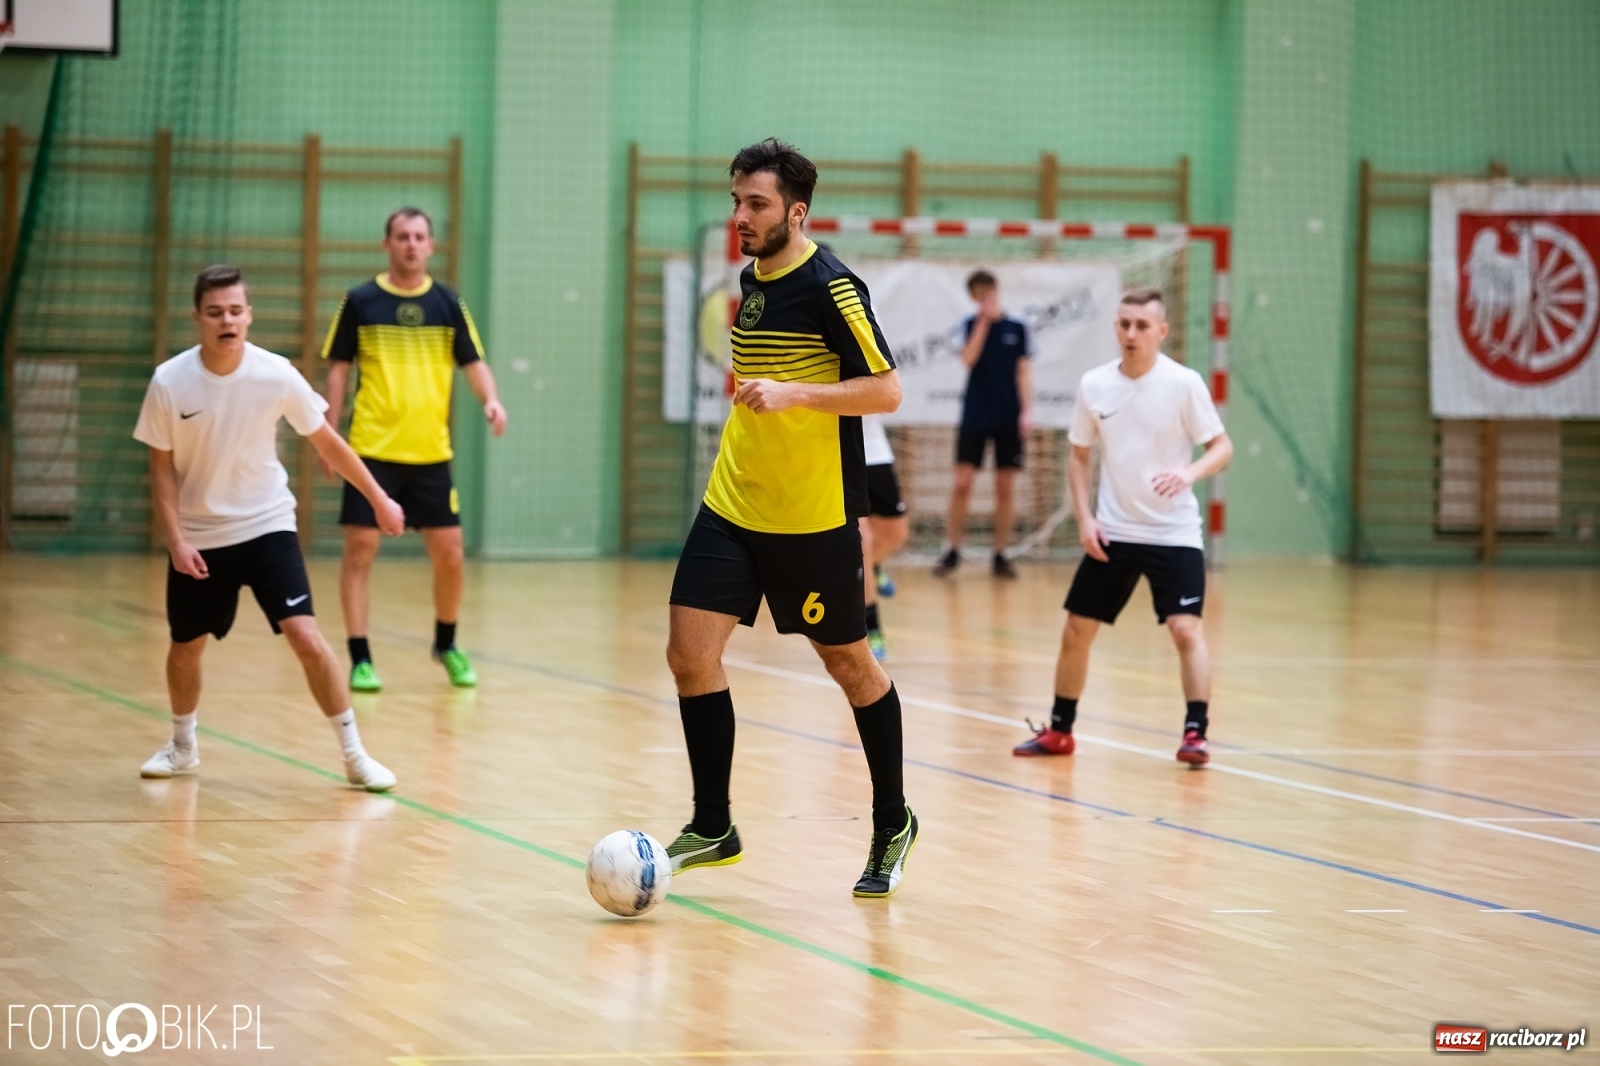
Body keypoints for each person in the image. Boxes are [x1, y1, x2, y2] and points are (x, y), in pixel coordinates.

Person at [665, 138, 916, 897]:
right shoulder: (753, 279)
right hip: (734, 503)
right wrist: (757, 388)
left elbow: (886, 392)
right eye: (736, 201)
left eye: (756, 204)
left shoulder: (835, 288)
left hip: (812, 518)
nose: (739, 215)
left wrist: (795, 393)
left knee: (849, 666)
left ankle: (891, 821)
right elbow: (763, 373)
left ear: (795, 212)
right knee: (688, 654)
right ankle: (715, 824)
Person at [134, 265, 407, 790]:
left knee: (306, 636)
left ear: (249, 315)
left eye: (236, 311)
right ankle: (183, 744)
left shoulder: (275, 373)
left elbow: (328, 441)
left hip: (267, 524)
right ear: (197, 319)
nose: (227, 321)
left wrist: (378, 497)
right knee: (186, 645)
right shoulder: (170, 382)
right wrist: (176, 539)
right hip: (201, 535)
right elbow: (161, 469)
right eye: (215, 312)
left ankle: (354, 755)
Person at [1013, 287, 1232, 765]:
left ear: (1161, 332)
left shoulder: (1184, 383)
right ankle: (1061, 730)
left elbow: (1221, 447)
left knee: (1184, 628)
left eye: (1140, 326)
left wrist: (1189, 473)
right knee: (1076, 628)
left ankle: (1196, 733)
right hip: (1113, 529)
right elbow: (1078, 458)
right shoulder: (1095, 385)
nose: (1130, 333)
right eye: (1123, 324)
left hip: (1173, 533)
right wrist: (1086, 519)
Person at [321, 207, 507, 693]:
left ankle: (446, 644)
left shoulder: (447, 303)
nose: (410, 244)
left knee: (450, 554)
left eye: (419, 236)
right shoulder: (360, 301)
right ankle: (360, 657)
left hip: (430, 454)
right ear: (387, 244)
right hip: (370, 451)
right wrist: (328, 435)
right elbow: (338, 369)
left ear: (431, 246)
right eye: (401, 236)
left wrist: (490, 400)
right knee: (361, 550)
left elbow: (474, 362)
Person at [934, 270, 1032, 579]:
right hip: (975, 415)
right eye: (979, 293)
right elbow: (968, 359)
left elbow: (1023, 372)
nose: (985, 296)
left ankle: (1000, 554)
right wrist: (983, 322)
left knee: (1005, 487)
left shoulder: (1018, 328)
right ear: (973, 297)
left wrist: (1025, 412)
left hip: (1007, 416)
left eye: (988, 290)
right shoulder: (968, 326)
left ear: (996, 289)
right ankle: (952, 550)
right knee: (962, 483)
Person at [860, 413, 909, 660]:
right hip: (834, 450)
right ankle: (872, 628)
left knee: (896, 534)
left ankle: (872, 568)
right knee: (862, 542)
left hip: (874, 448)